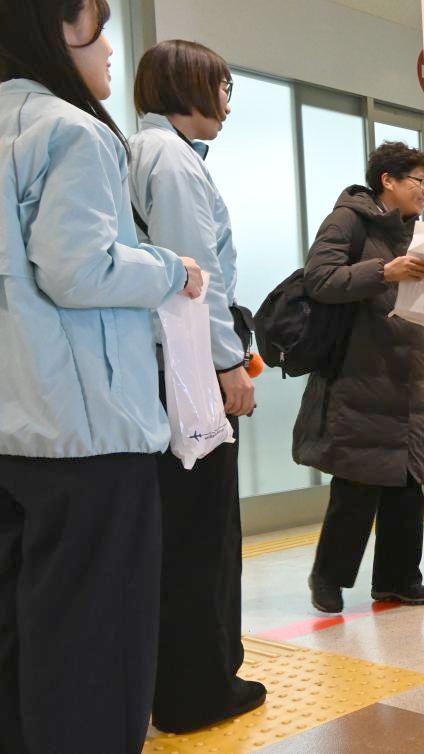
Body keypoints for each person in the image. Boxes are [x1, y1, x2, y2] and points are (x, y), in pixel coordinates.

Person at [0, 2, 204, 751]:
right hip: (87, 432)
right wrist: (169, 269)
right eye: (93, 23)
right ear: (50, 29)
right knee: (96, 651)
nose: (112, 48)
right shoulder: (75, 132)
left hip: (12, 428)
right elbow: (76, 266)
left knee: (21, 641)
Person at [128, 40, 264, 733]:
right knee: (201, 533)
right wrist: (226, 363)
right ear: (187, 88)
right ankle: (200, 690)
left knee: (181, 531)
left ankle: (182, 683)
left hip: (164, 368)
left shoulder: (151, 153)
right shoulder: (173, 162)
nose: (226, 105)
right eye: (221, 89)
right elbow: (194, 276)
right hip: (185, 369)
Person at [297, 142, 424, 614]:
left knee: (407, 482)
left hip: (406, 374)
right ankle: (328, 579)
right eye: (418, 181)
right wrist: (384, 269)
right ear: (388, 181)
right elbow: (319, 280)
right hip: (359, 372)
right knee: (357, 481)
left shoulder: (420, 234)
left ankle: (397, 579)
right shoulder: (348, 220)